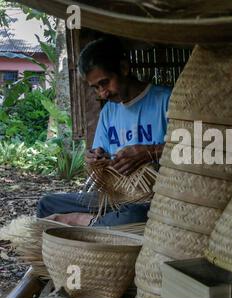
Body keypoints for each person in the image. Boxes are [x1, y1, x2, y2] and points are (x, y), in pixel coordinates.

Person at [37, 37, 171, 226]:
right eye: (96, 88)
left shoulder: (166, 101)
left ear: (124, 68)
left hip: (152, 197)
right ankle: (97, 225)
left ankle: (82, 221)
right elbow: (100, 153)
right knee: (48, 205)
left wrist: (149, 152)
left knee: (135, 217)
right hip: (115, 195)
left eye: (105, 82)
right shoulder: (109, 110)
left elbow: (190, 150)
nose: (102, 93)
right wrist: (94, 158)